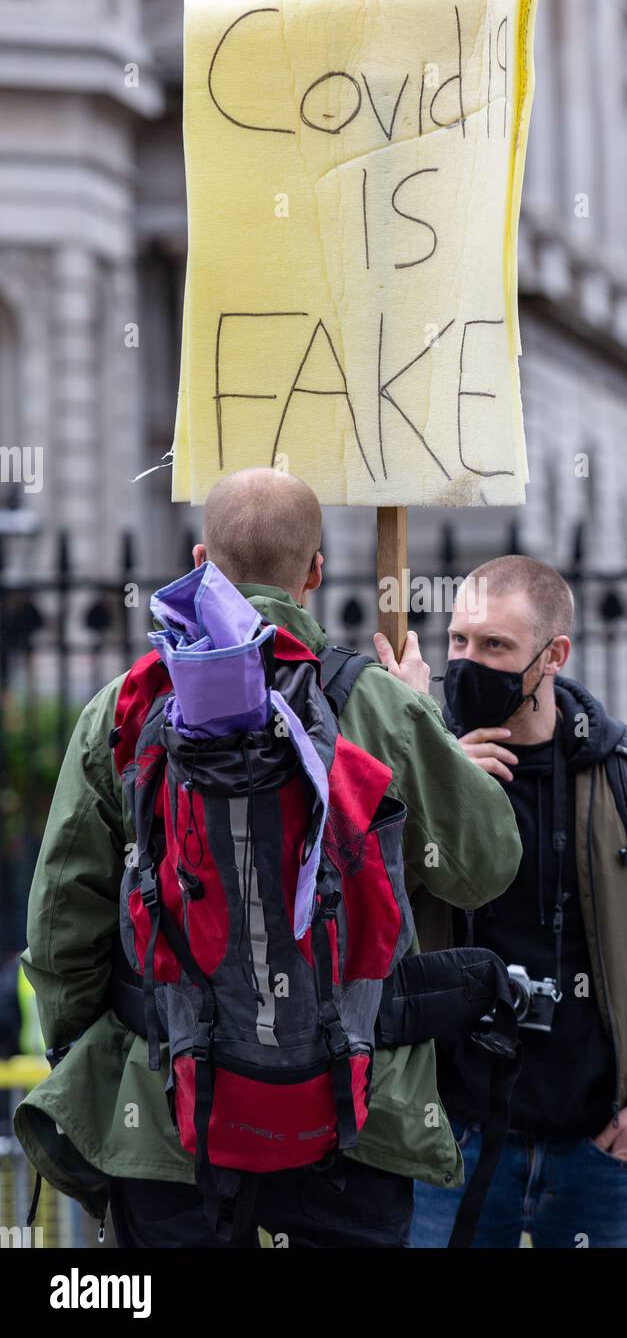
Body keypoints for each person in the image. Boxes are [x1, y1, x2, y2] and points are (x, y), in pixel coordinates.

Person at [15, 469, 522, 1248]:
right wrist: (418, 707)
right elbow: (485, 863)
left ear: (199, 560)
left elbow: (58, 928)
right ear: (315, 571)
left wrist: (101, 1056)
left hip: (166, 1118)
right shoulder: (377, 703)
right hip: (355, 1117)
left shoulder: (127, 706)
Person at [376, 555, 627, 1248]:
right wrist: (436, 783)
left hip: (600, 1143)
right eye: (460, 643)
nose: (471, 663)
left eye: (497, 646)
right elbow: (370, 912)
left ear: (553, 655)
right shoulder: (417, 770)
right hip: (453, 1140)